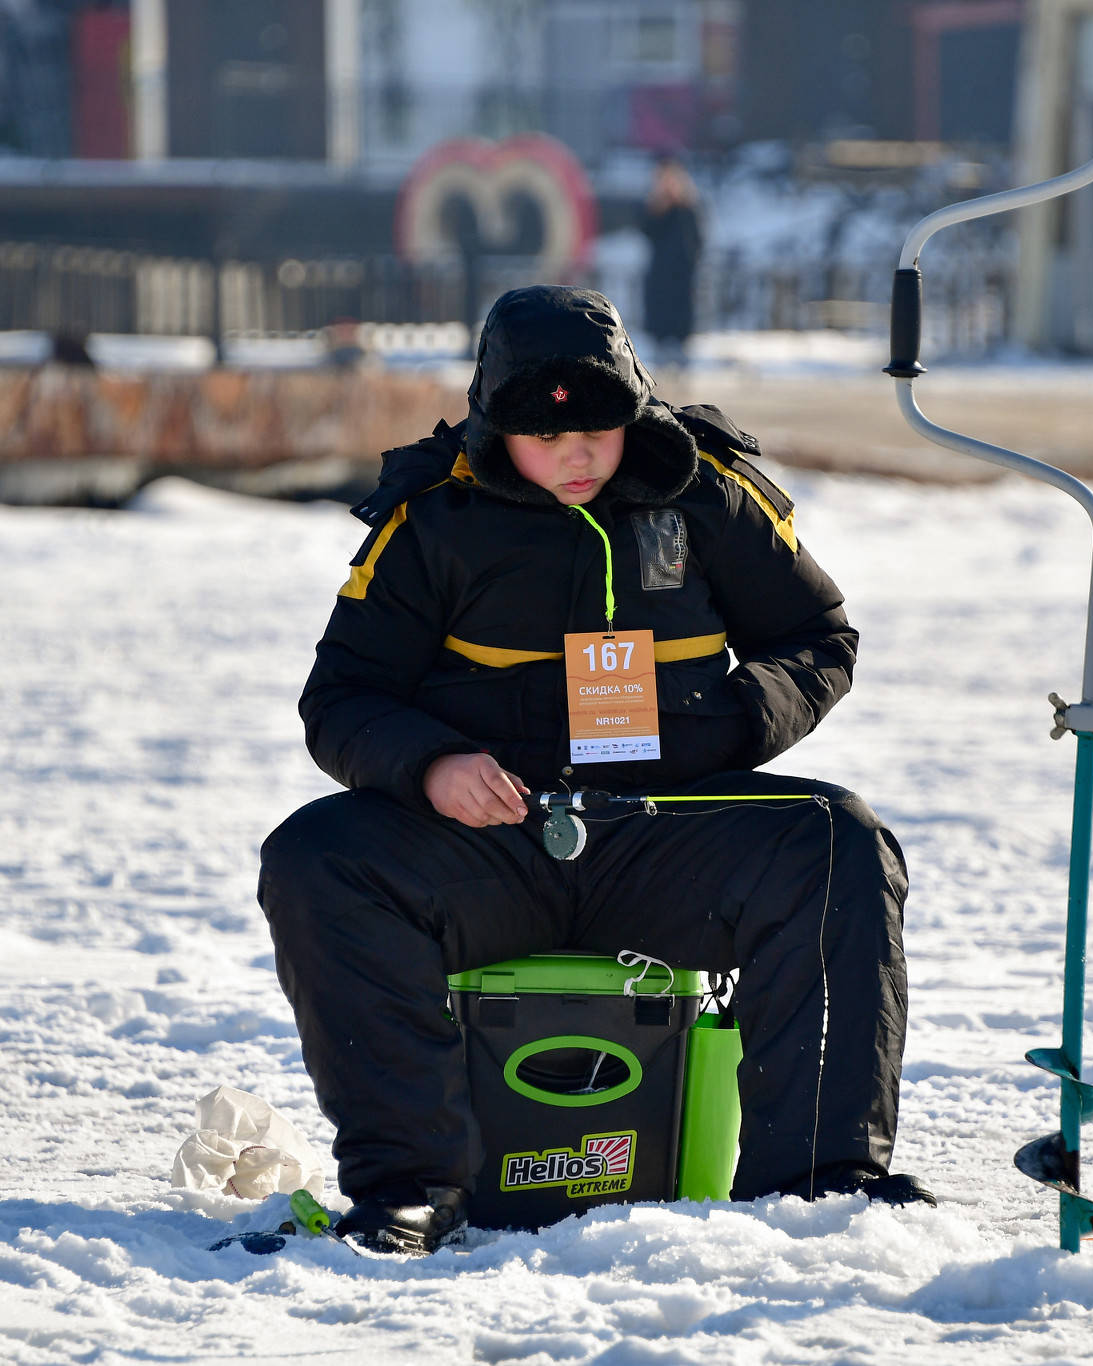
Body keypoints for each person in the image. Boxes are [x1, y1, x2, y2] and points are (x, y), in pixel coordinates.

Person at [257, 285, 928, 1256]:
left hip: (664, 838)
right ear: (496, 427)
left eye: (597, 430)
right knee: (315, 858)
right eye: (540, 435)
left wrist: (732, 725)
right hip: (487, 847)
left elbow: (818, 638)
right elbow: (341, 701)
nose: (573, 454)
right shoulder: (434, 518)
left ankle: (818, 1188)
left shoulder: (704, 492)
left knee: (838, 844)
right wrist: (432, 767)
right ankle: (409, 1187)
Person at [640, 158, 703, 365]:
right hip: (660, 272)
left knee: (680, 313)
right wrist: (660, 207)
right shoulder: (655, 207)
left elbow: (696, 239)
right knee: (660, 313)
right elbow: (647, 231)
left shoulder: (688, 208)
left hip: (681, 272)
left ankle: (680, 346)